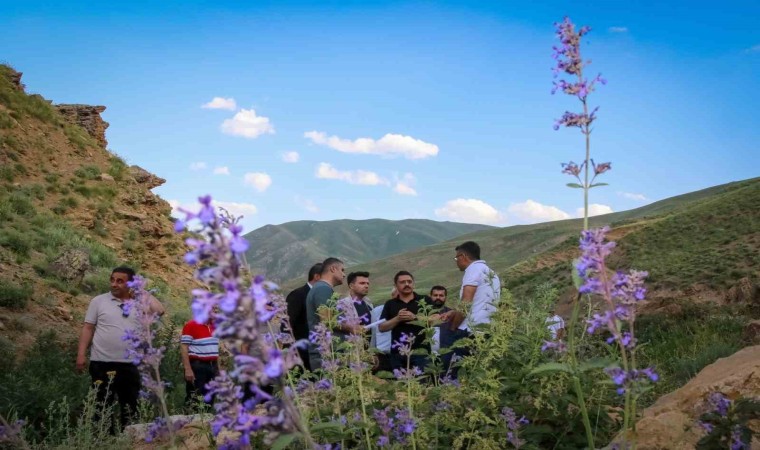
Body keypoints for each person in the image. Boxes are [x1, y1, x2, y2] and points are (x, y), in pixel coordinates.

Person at [76, 266, 165, 430]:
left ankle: (129, 441)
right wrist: (81, 354)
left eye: (120, 281)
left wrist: (141, 291)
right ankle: (102, 441)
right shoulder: (98, 301)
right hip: (101, 363)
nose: (114, 284)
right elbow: (88, 328)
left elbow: (159, 311)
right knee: (101, 406)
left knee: (130, 407)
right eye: (112, 280)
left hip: (130, 364)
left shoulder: (139, 304)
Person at [441, 241, 501, 377]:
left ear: (463, 256)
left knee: (451, 372)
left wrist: (453, 327)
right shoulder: (492, 273)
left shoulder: (473, 270)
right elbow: (479, 302)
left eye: (457, 258)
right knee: (475, 372)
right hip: (487, 330)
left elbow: (466, 302)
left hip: (469, 330)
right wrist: (453, 312)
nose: (456, 261)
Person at [378, 271, 431, 372]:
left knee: (423, 384)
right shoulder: (390, 304)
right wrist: (397, 319)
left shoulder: (424, 300)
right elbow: (381, 327)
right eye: (402, 282)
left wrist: (415, 318)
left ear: (413, 284)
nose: (407, 284)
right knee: (401, 385)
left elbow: (436, 318)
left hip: (421, 352)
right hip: (398, 354)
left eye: (409, 281)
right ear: (396, 285)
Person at [305, 257, 345, 370]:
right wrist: (351, 327)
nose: (344, 275)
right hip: (326, 354)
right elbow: (327, 321)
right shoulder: (323, 289)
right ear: (333, 269)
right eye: (342, 270)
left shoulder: (322, 288)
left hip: (328, 352)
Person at [285, 263, 323, 371]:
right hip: (300, 354)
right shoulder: (298, 294)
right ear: (317, 277)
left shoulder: (321, 296)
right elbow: (287, 323)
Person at [181, 316, 219, 406]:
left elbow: (215, 349)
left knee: (210, 398)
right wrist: (187, 369)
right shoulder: (191, 325)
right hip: (198, 366)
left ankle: (206, 419)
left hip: (213, 366)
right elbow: (184, 347)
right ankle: (191, 419)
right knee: (195, 398)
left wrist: (218, 369)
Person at [335, 271, 373, 340]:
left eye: (368, 283)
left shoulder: (368, 303)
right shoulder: (342, 304)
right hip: (353, 347)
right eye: (362, 283)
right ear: (351, 286)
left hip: (370, 347)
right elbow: (336, 325)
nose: (366, 286)